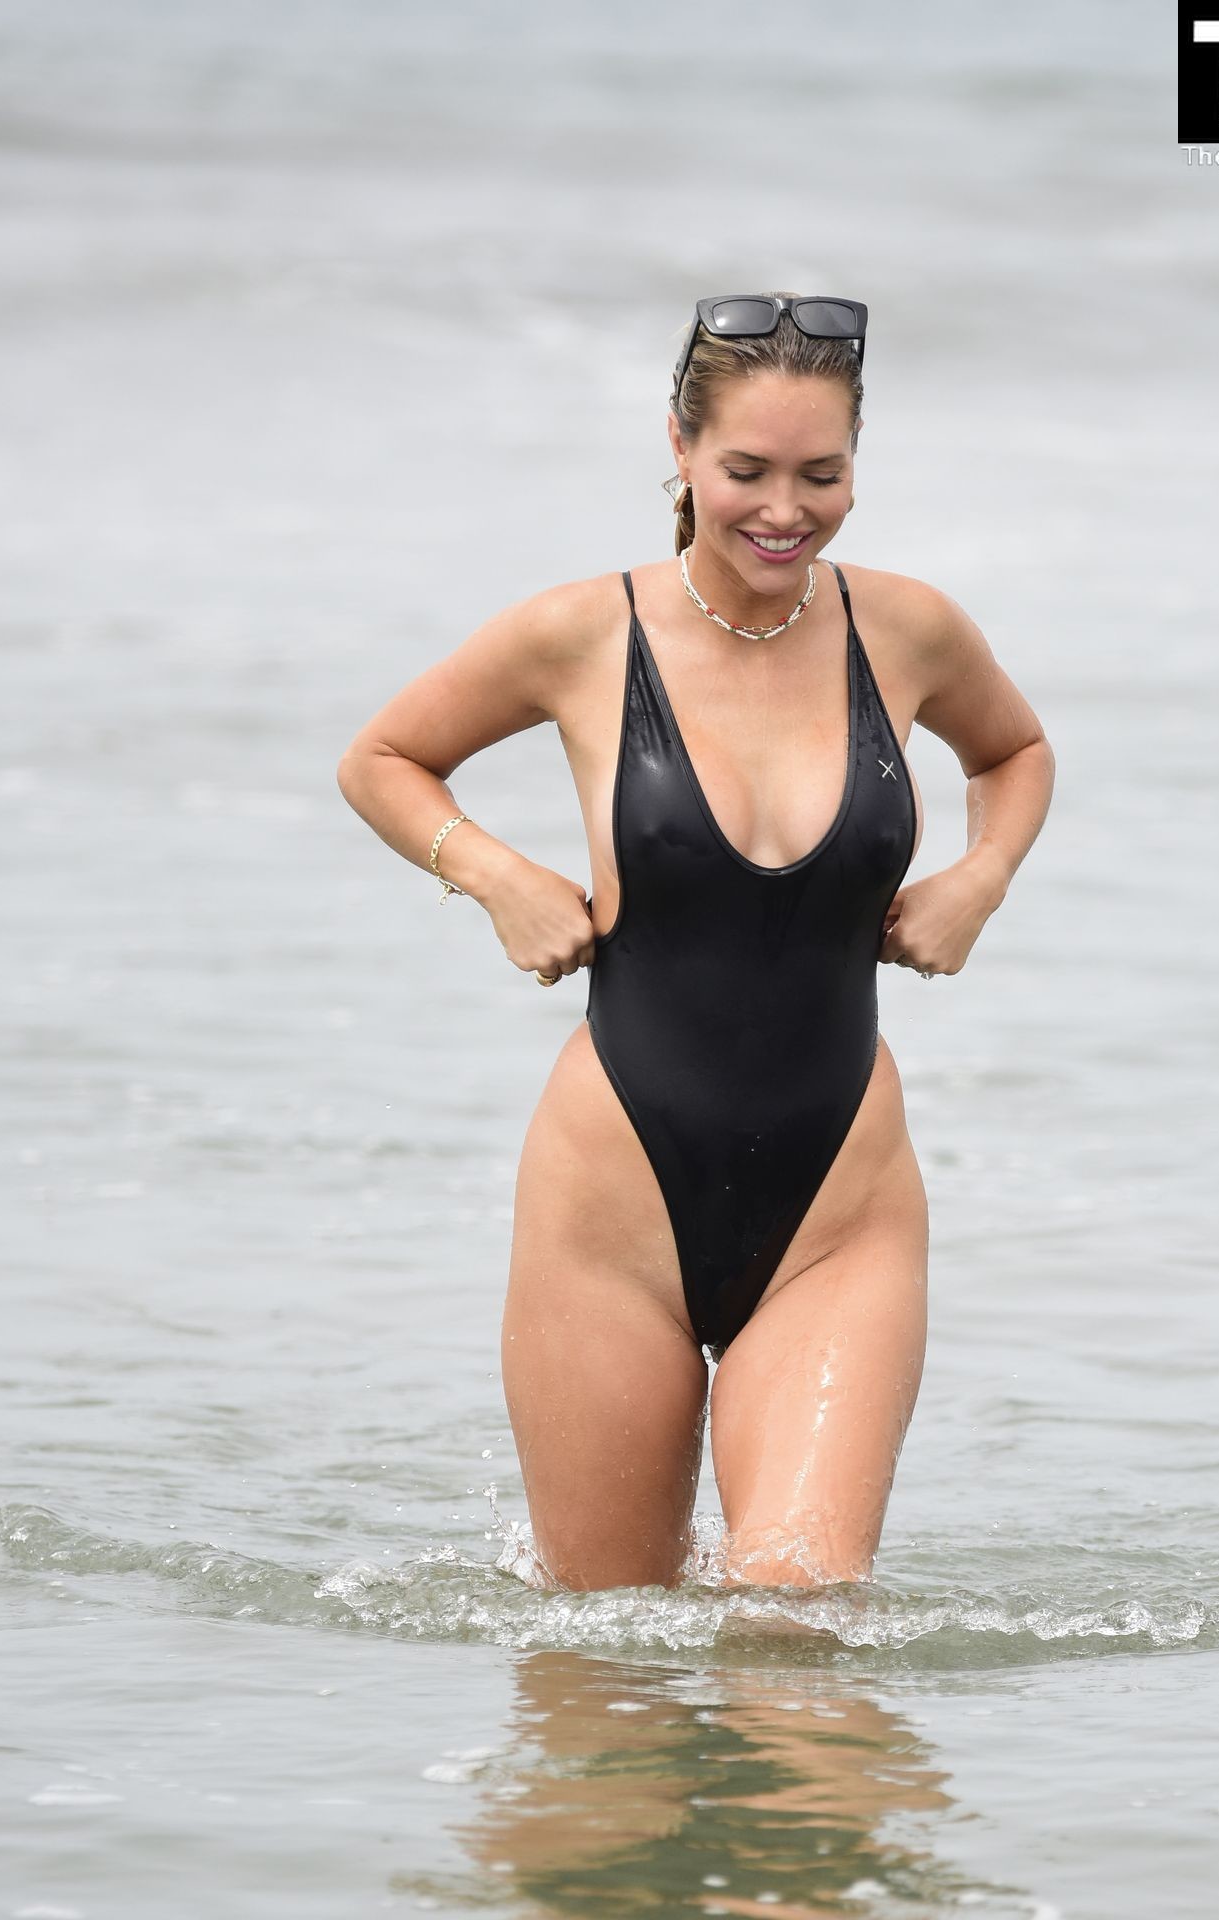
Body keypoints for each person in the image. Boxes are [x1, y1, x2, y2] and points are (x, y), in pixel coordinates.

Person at [337, 291, 1054, 1594]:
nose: (784, 510)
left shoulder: (907, 630)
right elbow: (383, 759)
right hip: (608, 1213)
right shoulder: (579, 634)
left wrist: (982, 877)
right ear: (678, 446)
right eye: (747, 470)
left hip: (840, 1211)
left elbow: (1013, 751)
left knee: (797, 1619)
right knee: (599, 1653)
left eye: (821, 475)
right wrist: (493, 875)